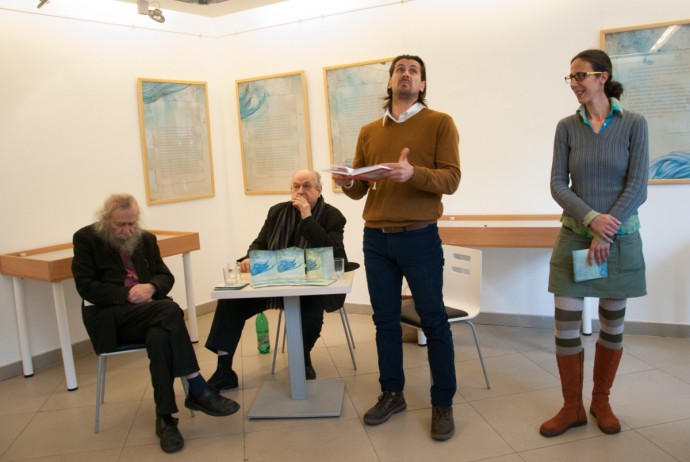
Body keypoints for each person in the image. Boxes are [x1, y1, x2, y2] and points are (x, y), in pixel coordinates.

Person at [332, 54, 461, 441]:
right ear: (389, 82)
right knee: (384, 321)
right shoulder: (369, 131)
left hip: (420, 237)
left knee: (433, 321)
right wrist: (347, 182)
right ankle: (392, 394)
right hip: (376, 239)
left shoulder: (440, 122)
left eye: (413, 71)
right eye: (399, 70)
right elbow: (360, 190)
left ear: (422, 84)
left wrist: (413, 173)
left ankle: (442, 402)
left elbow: (451, 179)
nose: (406, 74)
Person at [72, 194, 240, 454]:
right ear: (106, 220)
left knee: (160, 336)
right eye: (120, 225)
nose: (128, 231)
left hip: (150, 313)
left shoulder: (146, 239)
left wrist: (150, 287)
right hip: (111, 318)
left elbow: (164, 275)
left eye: (132, 223)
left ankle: (165, 419)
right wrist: (129, 294)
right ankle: (197, 386)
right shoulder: (86, 239)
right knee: (170, 311)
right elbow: (86, 286)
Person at [540, 49, 648, 437]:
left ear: (602, 77)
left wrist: (606, 229)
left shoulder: (634, 124)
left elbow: (638, 185)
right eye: (570, 78)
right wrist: (591, 221)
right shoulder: (567, 127)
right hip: (576, 235)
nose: (574, 83)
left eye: (580, 76)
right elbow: (557, 184)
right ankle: (572, 407)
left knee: (611, 326)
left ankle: (601, 401)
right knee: (566, 326)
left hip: (619, 239)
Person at [205, 169, 348, 387]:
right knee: (229, 302)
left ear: (319, 190)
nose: (300, 191)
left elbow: (332, 252)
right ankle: (224, 370)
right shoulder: (277, 211)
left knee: (310, 317)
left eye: (307, 186)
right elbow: (260, 243)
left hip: (311, 285)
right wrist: (250, 257)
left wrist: (307, 218)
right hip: (273, 282)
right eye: (296, 186)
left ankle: (302, 359)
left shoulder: (333, 216)